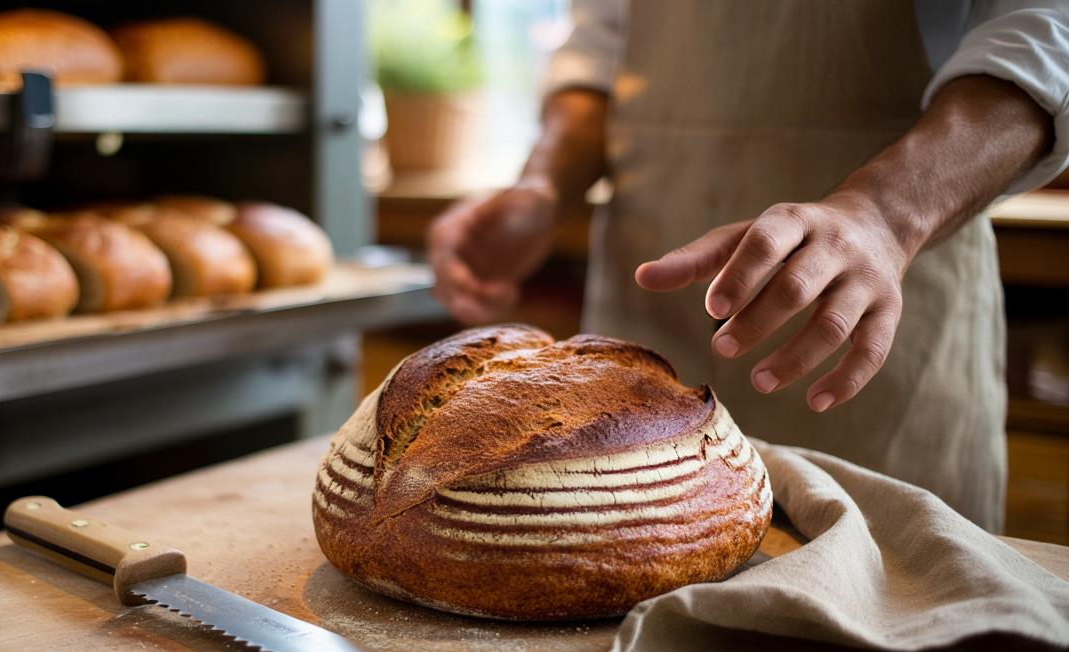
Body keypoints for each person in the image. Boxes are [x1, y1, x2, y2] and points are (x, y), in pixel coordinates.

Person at [427, 1, 1069, 532]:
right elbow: (599, 48)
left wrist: (884, 215)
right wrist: (543, 188)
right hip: (647, 333)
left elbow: (1044, 31)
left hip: (873, 348)